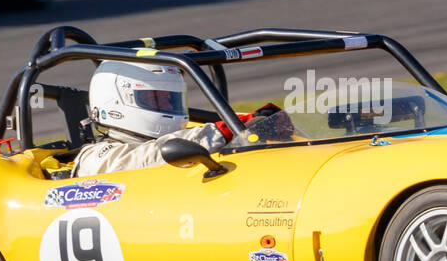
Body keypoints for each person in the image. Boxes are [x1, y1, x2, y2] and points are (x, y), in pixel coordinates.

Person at [73, 60, 294, 176]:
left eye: (172, 99)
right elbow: (148, 158)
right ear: (116, 100)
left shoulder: (188, 135)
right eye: (156, 99)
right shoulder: (95, 158)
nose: (168, 107)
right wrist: (223, 131)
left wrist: (260, 125)